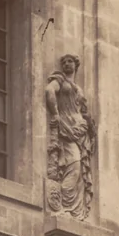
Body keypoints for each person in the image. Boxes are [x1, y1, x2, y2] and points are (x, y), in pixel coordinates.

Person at [45, 54, 96, 220]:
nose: (67, 64)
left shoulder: (78, 89)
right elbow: (49, 91)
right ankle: (66, 205)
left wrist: (89, 127)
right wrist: (55, 114)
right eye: (64, 61)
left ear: (76, 65)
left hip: (80, 132)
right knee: (74, 165)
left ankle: (75, 211)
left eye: (70, 61)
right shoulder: (60, 80)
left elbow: (83, 111)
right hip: (66, 128)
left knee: (79, 170)